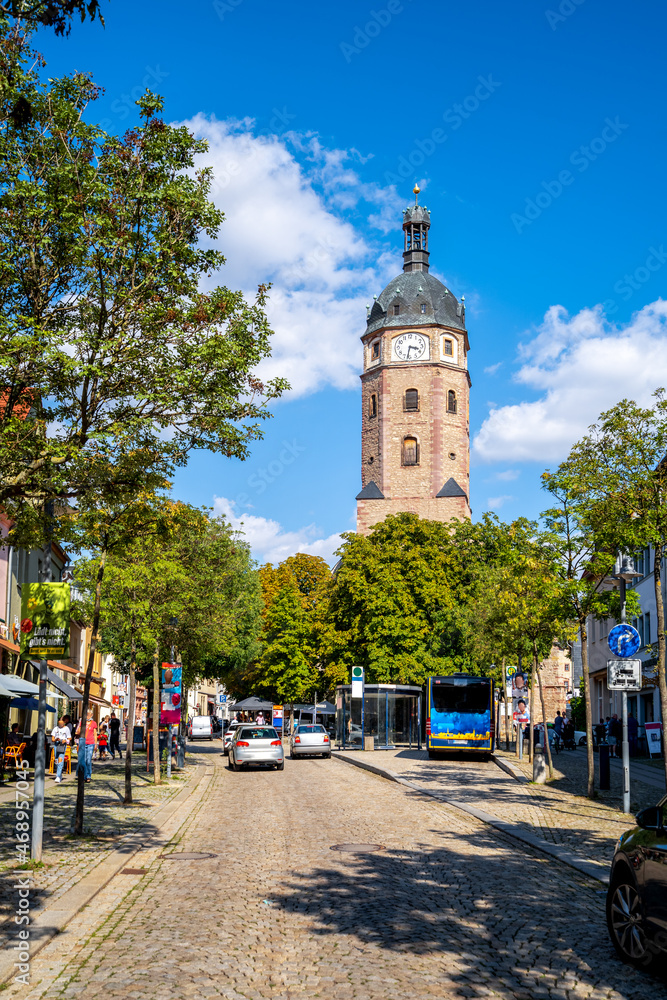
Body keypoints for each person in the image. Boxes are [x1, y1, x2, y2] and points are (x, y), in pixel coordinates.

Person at [75, 710, 97, 782]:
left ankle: (88, 776)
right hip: (83, 743)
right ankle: (83, 775)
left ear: (92, 715)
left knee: (88, 760)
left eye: (89, 714)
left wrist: (96, 744)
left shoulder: (93, 723)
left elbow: (95, 734)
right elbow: (78, 731)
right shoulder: (82, 722)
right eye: (86, 714)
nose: (87, 716)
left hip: (91, 743)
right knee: (82, 760)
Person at [51, 717, 71, 783]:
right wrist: (56, 739)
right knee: (56, 760)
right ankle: (59, 773)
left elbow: (69, 738)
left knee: (60, 759)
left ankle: (58, 776)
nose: (60, 724)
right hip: (57, 744)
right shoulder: (55, 728)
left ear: (64, 722)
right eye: (59, 723)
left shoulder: (66, 729)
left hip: (62, 744)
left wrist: (65, 740)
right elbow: (52, 739)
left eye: (62, 723)